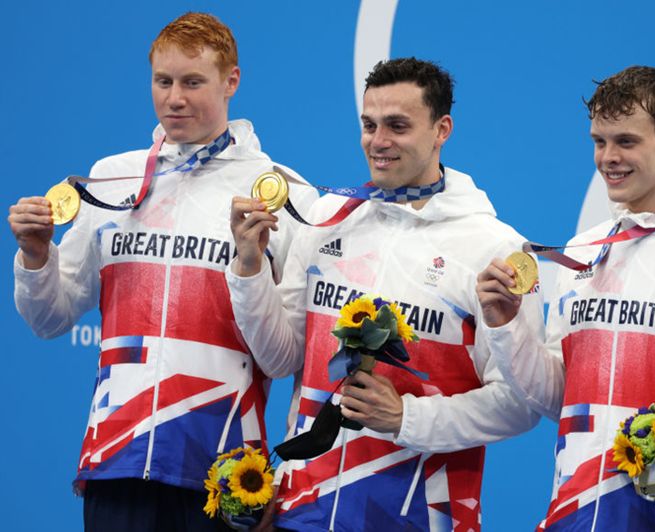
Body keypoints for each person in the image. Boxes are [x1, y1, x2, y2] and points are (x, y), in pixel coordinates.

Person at [8, 12, 314, 531]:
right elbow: (50, 319)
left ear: (231, 81)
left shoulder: (280, 192)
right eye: (163, 81)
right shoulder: (110, 179)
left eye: (193, 82)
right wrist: (37, 256)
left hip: (224, 474)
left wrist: (249, 265)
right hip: (117, 460)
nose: (175, 98)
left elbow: (283, 358)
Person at [227, 57, 542, 531]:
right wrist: (250, 267)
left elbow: (520, 404)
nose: (378, 141)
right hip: (304, 512)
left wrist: (406, 418)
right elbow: (279, 358)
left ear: (442, 129)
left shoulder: (492, 247)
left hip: (419, 517)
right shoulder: (328, 217)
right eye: (369, 125)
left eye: (398, 126)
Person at [476, 66, 655, 530]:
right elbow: (559, 398)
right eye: (599, 141)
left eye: (626, 141)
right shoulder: (584, 252)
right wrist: (507, 325)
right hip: (577, 511)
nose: (608, 158)